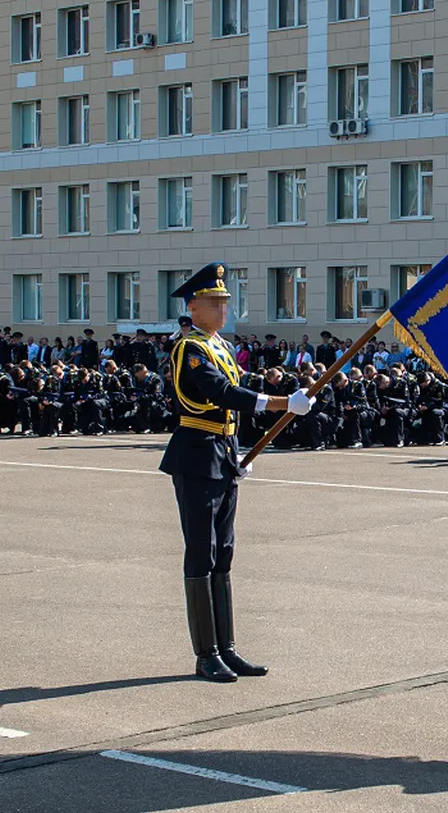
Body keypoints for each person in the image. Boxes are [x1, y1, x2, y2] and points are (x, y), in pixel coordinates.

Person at [160, 262, 316, 683]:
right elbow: (222, 392)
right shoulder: (190, 348)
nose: (223, 308)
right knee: (202, 551)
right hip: (196, 454)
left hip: (223, 453)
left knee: (224, 551)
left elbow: (243, 383)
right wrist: (282, 404)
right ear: (193, 307)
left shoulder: (221, 346)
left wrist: (240, 450)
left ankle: (226, 648)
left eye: (224, 301)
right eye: (214, 302)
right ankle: (206, 654)